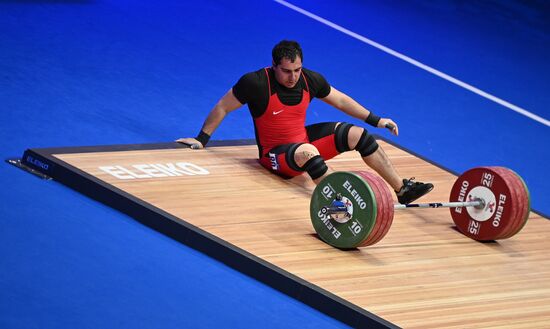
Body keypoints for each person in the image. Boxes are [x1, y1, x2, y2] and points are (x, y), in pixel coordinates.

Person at [177, 40, 433, 204]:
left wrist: (377, 120)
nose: (293, 77)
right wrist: (202, 139)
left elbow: (341, 101)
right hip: (274, 156)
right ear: (274, 66)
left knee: (358, 134)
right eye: (287, 71)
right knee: (309, 150)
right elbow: (223, 106)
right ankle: (339, 206)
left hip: (302, 144)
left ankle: (402, 190)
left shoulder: (310, 79)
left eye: (297, 70)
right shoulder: (255, 83)